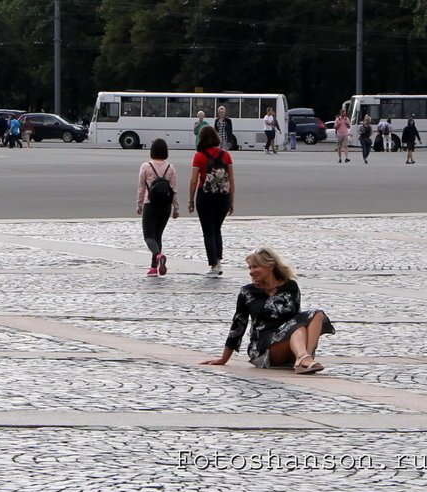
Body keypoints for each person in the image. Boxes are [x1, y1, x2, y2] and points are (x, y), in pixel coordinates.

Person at [202, 246, 335, 374]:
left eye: (255, 267)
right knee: (297, 327)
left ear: (270, 266)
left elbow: (297, 317)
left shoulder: (290, 286)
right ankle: (303, 359)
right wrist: (224, 359)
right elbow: (238, 325)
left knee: (316, 314)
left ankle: (306, 358)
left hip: (289, 340)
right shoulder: (247, 292)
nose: (251, 271)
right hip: (264, 347)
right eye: (250, 268)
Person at [188, 126, 234, 278]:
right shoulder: (226, 156)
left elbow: (194, 180)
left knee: (208, 231)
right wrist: (231, 201)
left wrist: (191, 200)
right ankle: (218, 261)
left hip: (205, 196)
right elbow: (231, 180)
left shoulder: (199, 156)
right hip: (223, 197)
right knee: (217, 229)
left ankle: (213, 265)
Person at [136, 138, 178, 277]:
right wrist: (176, 208)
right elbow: (174, 190)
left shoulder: (146, 166)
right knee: (158, 235)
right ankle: (154, 267)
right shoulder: (170, 168)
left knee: (149, 236)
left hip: (151, 204)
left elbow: (141, 187)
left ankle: (158, 256)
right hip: (165, 206)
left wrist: (139, 204)